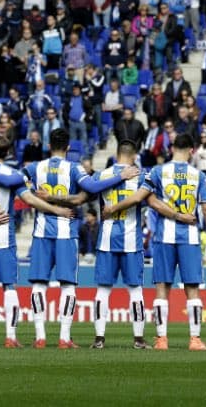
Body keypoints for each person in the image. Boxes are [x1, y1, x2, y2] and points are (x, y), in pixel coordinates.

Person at [23, 129, 138, 349]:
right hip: (66, 233)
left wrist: (31, 192)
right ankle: (64, 338)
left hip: (41, 232)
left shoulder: (35, 167)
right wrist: (120, 176)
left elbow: (16, 180)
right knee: (67, 285)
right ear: (67, 148)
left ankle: (40, 336)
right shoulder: (74, 168)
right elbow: (93, 187)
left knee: (39, 284)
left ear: (49, 146)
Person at [102, 133, 206, 351]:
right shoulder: (198, 175)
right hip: (190, 238)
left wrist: (113, 208)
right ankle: (195, 339)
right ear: (192, 150)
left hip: (164, 237)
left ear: (172, 148)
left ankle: (161, 339)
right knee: (192, 289)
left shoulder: (157, 171)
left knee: (162, 287)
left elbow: (143, 198)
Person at [0, 134, 75, 348]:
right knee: (8, 285)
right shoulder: (13, 175)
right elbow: (30, 199)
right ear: (8, 153)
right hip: (4, 234)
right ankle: (10, 336)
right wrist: (55, 209)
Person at [91, 140, 150, 349]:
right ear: (134, 156)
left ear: (116, 155)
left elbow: (90, 195)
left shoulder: (102, 175)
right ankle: (138, 339)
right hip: (131, 241)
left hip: (107, 239)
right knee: (135, 290)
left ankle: (99, 339)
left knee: (103, 290)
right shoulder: (141, 176)